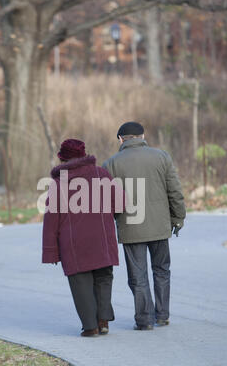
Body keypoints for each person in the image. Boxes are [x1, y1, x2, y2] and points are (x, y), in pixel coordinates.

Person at [103, 122, 186, 330]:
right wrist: (178, 218)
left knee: (138, 276)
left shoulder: (110, 164)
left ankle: (144, 320)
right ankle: (163, 315)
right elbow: (174, 190)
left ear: (120, 139)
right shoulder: (162, 157)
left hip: (131, 227)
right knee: (162, 270)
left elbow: (107, 202)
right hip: (160, 225)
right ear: (142, 136)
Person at [42, 139, 123, 337]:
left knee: (80, 282)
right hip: (102, 239)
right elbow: (120, 204)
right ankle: (103, 321)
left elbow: (51, 221)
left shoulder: (59, 184)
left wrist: (51, 252)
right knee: (103, 278)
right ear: (84, 154)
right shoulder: (101, 174)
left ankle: (90, 326)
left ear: (63, 158)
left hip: (74, 244)